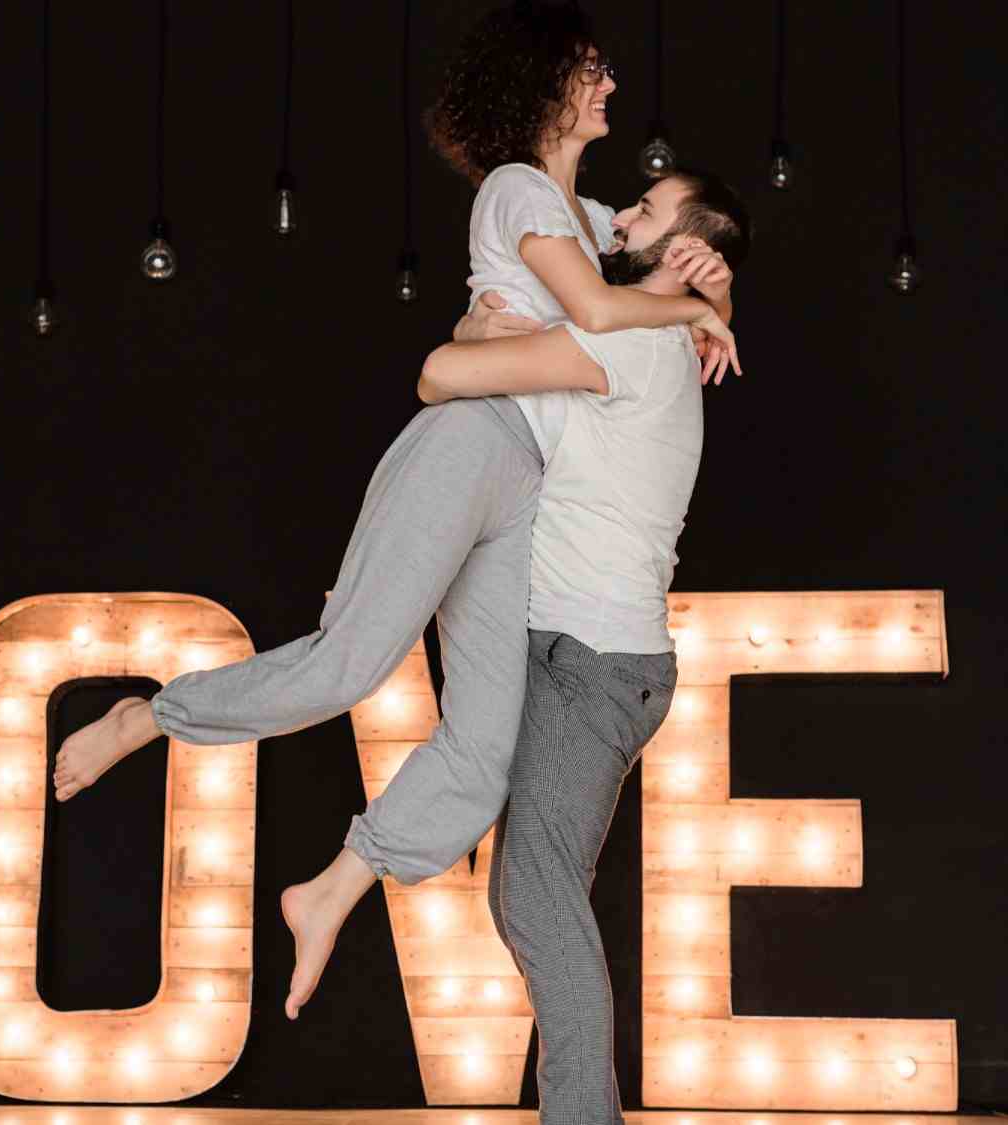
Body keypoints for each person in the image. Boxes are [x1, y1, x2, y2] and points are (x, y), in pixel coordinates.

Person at [51, 0, 736, 1021]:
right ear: (546, 86)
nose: (609, 89)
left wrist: (711, 282)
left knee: (491, 745)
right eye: (591, 71)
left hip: (531, 495)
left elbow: (650, 258)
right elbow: (599, 311)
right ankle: (149, 716)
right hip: (470, 446)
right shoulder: (516, 192)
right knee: (350, 661)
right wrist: (692, 308)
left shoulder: (594, 220)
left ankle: (336, 884)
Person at [418, 168, 750, 1125]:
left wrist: (489, 336)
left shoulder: (635, 342)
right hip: (587, 659)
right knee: (529, 897)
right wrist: (710, 298)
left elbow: (439, 375)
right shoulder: (646, 338)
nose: (621, 215)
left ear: (676, 249)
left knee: (534, 897)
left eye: (644, 211)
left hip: (588, 663)